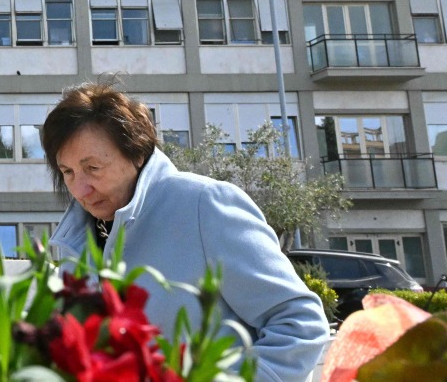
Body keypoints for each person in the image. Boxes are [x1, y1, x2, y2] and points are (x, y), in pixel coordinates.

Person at [42, 82, 329, 382]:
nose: (80, 188)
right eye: (68, 172)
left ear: (137, 153)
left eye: (93, 168)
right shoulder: (74, 241)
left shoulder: (203, 204)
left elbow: (299, 323)